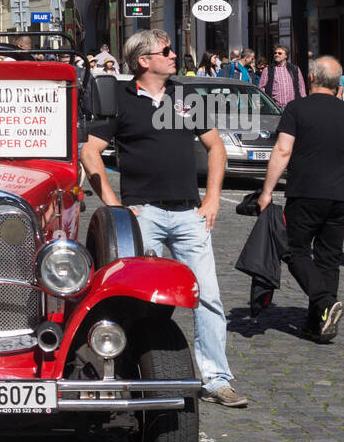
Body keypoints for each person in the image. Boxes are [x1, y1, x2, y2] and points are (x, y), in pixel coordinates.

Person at [80, 27, 248, 407]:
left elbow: (216, 147)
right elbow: (90, 153)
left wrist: (213, 199)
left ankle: (216, 380)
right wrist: (113, 205)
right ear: (144, 61)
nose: (174, 55)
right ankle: (128, 369)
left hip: (190, 214)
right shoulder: (120, 100)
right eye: (166, 50)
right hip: (144, 215)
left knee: (207, 297)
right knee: (136, 297)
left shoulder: (187, 96)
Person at [258, 56, 344, 342]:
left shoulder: (297, 108)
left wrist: (267, 190)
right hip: (339, 197)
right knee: (328, 260)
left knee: (294, 251)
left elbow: (283, 151)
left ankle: (324, 301)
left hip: (306, 192)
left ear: (311, 78)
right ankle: (317, 324)